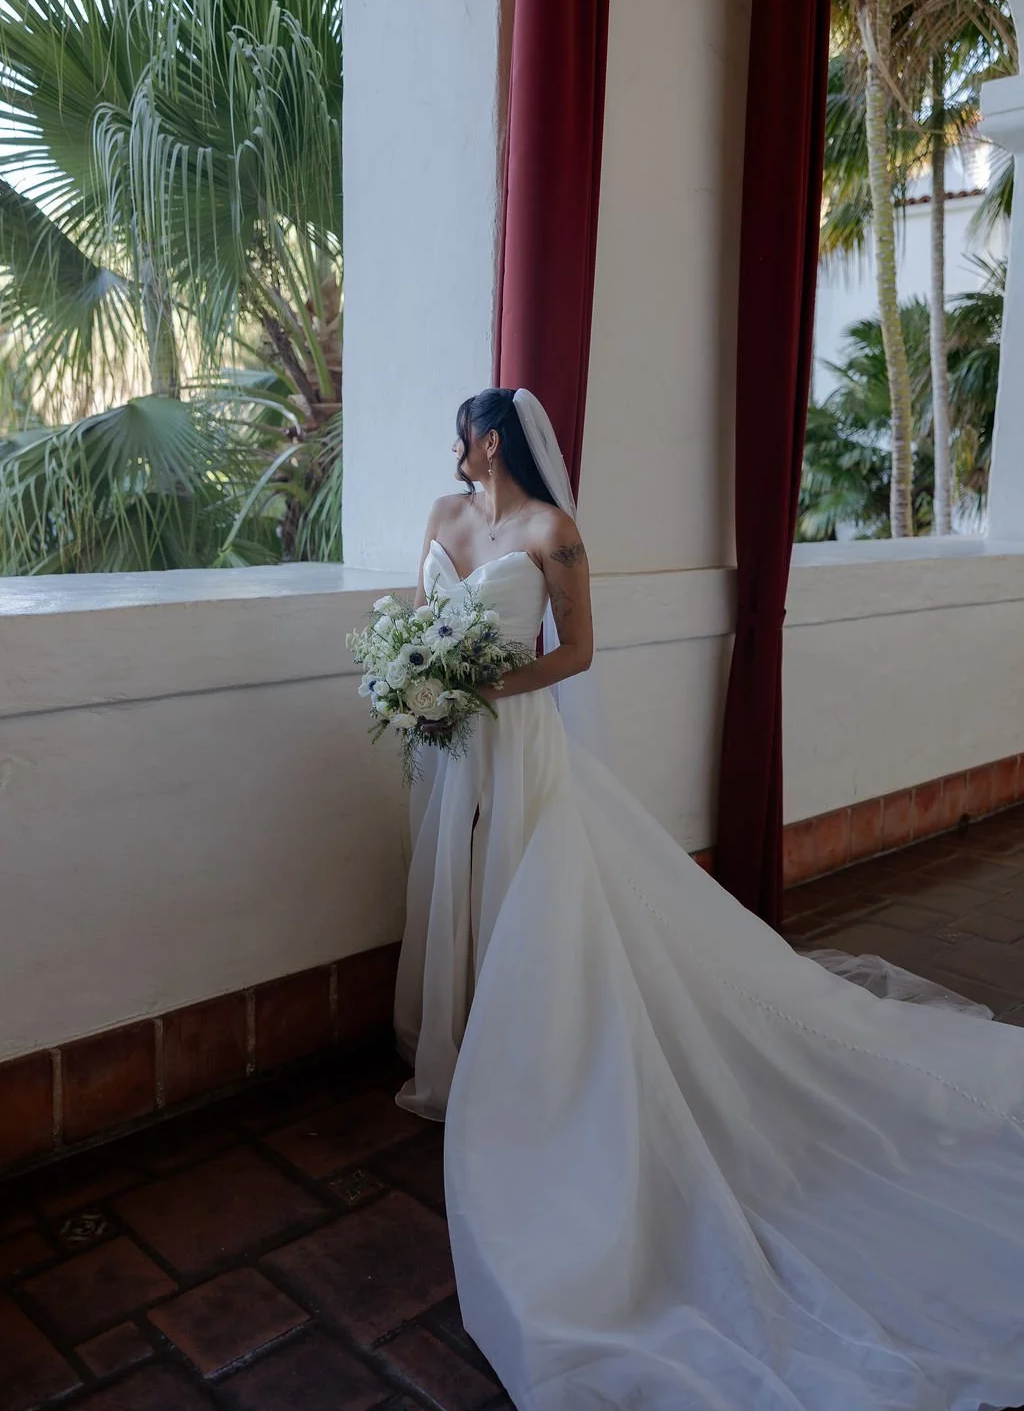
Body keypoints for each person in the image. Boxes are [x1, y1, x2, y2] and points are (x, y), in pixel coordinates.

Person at [393, 386, 1024, 1411]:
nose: (453, 451)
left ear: (492, 440)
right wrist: (416, 679)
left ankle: (535, 1056)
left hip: (516, 741)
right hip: (449, 744)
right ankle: (465, 1031)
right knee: (458, 879)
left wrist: (479, 689)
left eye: (461, 436)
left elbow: (577, 652)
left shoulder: (554, 534)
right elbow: (419, 618)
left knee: (531, 889)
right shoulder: (442, 514)